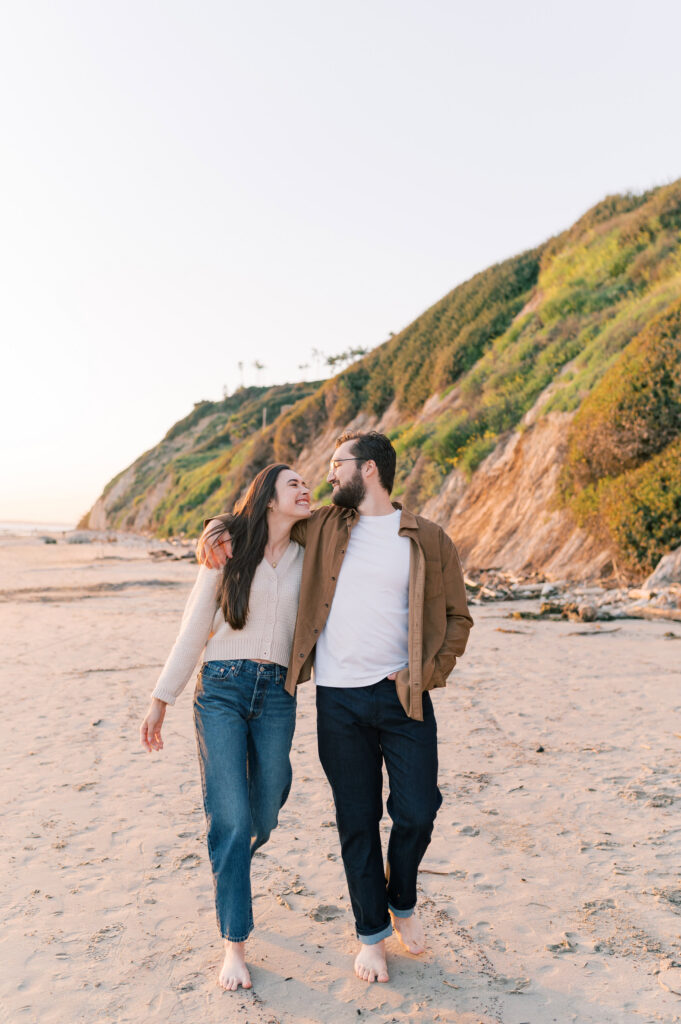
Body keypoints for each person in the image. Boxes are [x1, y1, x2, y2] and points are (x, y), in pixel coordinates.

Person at [198, 431, 473, 984]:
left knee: (419, 809)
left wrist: (425, 674)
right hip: (338, 699)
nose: (327, 477)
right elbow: (260, 518)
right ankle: (371, 934)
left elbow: (458, 619)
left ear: (368, 470)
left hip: (403, 696)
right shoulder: (324, 524)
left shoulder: (428, 538)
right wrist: (217, 527)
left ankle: (402, 897)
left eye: (337, 465)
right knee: (357, 819)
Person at [139, 463, 311, 991]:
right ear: (267, 498)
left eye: (309, 484)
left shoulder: (312, 552)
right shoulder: (228, 550)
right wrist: (161, 698)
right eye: (294, 485)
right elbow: (195, 623)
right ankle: (234, 944)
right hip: (221, 689)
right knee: (233, 819)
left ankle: (229, 854)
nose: (306, 489)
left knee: (266, 808)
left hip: (279, 694)